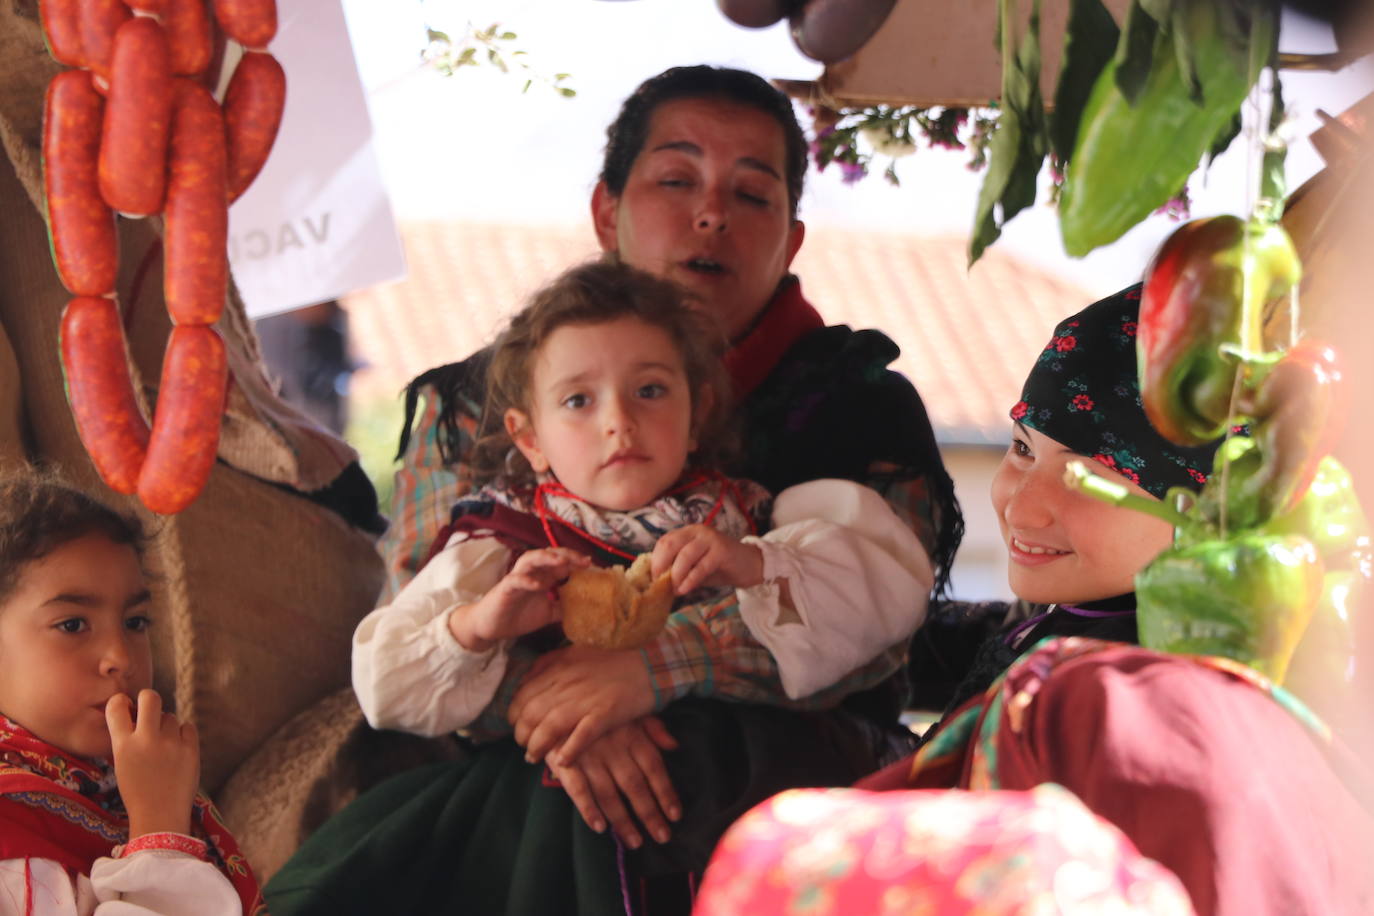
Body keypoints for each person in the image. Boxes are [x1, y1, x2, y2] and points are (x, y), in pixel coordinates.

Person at [356, 64, 964, 890]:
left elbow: (877, 630)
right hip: (511, 760)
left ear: (790, 238)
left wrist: (653, 670)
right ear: (608, 212)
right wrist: (561, 704)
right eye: (676, 179)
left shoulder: (859, 404)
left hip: (776, 773)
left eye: (753, 196)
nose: (711, 213)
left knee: (701, 767)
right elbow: (419, 615)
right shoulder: (471, 398)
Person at [265, 260, 933, 914]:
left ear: (697, 411)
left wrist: (752, 568)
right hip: (546, 832)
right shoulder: (497, 550)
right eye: (578, 400)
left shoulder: (755, 524)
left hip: (735, 814)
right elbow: (388, 685)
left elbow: (885, 602)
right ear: (529, 439)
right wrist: (483, 630)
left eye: (650, 390)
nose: (619, 421)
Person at [695, 286, 1374, 916]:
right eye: (1022, 448)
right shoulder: (1060, 621)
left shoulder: (1141, 709)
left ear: (1207, 509)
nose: (1023, 505)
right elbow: (945, 637)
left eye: (1089, 477)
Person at [0, 473, 264, 916]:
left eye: (135, 622)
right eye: (72, 625)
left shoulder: (117, 782)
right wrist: (159, 829)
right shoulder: (12, 835)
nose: (120, 657)